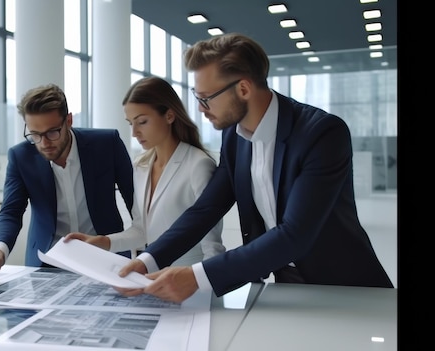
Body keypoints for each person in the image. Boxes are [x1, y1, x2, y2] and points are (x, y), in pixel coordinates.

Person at [114, 33, 394, 303]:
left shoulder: (321, 134)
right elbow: (206, 208)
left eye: (206, 98)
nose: (200, 108)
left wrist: (197, 277)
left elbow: (294, 234)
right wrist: (147, 260)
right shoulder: (234, 136)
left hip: (346, 287)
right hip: (286, 281)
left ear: (244, 89)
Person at [0, 83, 134, 285]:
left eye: (52, 132)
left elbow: (134, 201)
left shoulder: (107, 144)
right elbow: (10, 211)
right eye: (35, 134)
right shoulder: (20, 156)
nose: (44, 143)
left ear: (68, 120)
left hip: (106, 256)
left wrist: (149, 255)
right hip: (47, 262)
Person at [64, 76, 226, 266]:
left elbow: (212, 247)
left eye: (142, 122)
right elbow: (142, 231)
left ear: (169, 116)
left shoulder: (198, 165)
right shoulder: (141, 165)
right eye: (130, 123)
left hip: (187, 280)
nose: (134, 133)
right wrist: (103, 242)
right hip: (148, 277)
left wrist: (204, 290)